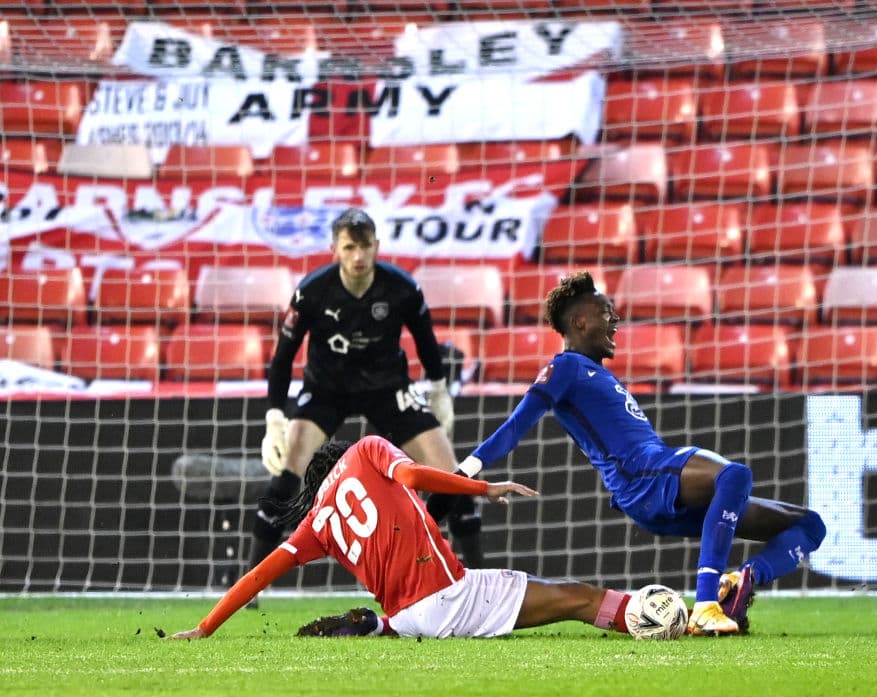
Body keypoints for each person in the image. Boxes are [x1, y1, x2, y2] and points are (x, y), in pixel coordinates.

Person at [440, 270, 827, 636]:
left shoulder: (598, 373)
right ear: (579, 323)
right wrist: (464, 473)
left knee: (810, 525)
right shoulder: (564, 367)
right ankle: (706, 605)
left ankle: (743, 579)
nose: (615, 321)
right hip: (641, 479)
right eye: (606, 313)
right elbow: (514, 428)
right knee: (734, 475)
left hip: (658, 478)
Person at [172, 437, 641, 640]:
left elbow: (258, 574)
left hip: (411, 616)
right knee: (579, 598)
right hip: (451, 597)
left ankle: (380, 626)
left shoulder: (315, 521)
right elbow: (414, 474)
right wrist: (484, 487)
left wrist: (206, 626)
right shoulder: (367, 449)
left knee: (427, 604)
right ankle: (657, 620)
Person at [251, 207, 484, 591]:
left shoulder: (403, 289)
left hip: (388, 389)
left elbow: (427, 346)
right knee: (287, 474)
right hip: (326, 389)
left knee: (451, 477)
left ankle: (479, 582)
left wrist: (439, 391)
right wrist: (275, 417)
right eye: (349, 247)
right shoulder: (311, 292)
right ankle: (251, 587)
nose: (358, 256)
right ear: (335, 250)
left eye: (364, 247)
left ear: (377, 246)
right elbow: (281, 360)